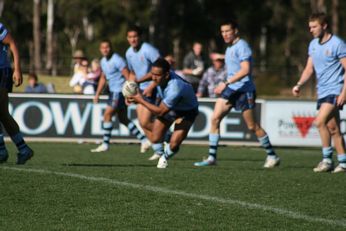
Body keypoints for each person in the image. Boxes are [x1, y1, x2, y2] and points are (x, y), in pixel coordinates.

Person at [194, 19, 280, 168]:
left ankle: (272, 156)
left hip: (244, 90)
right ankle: (211, 158)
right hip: (231, 89)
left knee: (252, 127)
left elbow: (246, 70)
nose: (225, 34)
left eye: (228, 31)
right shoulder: (229, 48)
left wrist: (225, 83)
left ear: (235, 31)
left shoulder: (242, 46)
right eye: (222, 32)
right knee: (215, 119)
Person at [292, 13, 346, 173]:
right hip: (322, 91)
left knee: (319, 121)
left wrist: (344, 92)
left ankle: (327, 159)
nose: (311, 30)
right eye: (310, 27)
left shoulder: (338, 44)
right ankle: (343, 162)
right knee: (333, 128)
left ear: (324, 26)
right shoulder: (313, 45)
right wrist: (299, 84)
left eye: (314, 27)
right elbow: (309, 68)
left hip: (335, 90)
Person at [130, 58, 199, 168]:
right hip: (171, 107)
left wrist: (140, 100)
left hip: (187, 110)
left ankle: (164, 156)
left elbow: (161, 111)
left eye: (157, 75)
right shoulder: (162, 76)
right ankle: (169, 137)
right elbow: (152, 75)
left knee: (175, 143)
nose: (153, 78)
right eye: (153, 73)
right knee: (155, 138)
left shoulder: (175, 88)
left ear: (166, 75)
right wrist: (137, 81)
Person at [91, 40, 149, 153]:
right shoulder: (103, 61)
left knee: (107, 115)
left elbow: (128, 77)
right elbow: (103, 77)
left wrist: (129, 94)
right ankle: (144, 140)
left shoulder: (117, 60)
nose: (105, 49)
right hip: (113, 92)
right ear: (100, 49)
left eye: (107, 47)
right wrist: (97, 93)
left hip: (119, 92)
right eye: (103, 47)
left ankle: (105, 144)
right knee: (123, 119)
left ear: (111, 48)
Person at [125, 25, 168, 156]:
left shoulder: (149, 50)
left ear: (140, 37)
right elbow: (132, 73)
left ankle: (168, 138)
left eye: (135, 37)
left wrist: (151, 86)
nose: (133, 39)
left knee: (145, 121)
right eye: (130, 37)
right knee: (143, 123)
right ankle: (159, 149)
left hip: (153, 88)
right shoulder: (128, 53)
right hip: (140, 90)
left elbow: (161, 69)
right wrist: (129, 91)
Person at [0, 22, 33, 164]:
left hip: (1, 71)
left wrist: (17, 69)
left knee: (1, 112)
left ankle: (4, 150)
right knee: (2, 114)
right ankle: (21, 148)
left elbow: (12, 44)